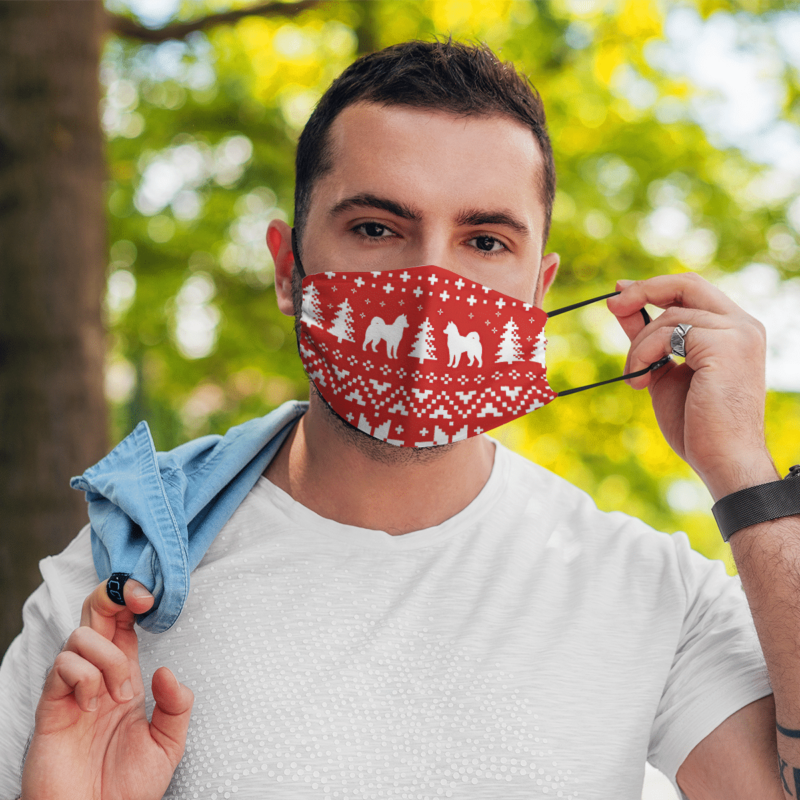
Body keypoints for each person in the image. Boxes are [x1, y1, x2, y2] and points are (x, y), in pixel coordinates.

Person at [1, 39, 797, 800]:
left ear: (536, 291)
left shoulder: (648, 591)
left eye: (485, 240)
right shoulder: (112, 592)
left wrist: (745, 477)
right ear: (289, 270)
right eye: (377, 229)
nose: (429, 286)